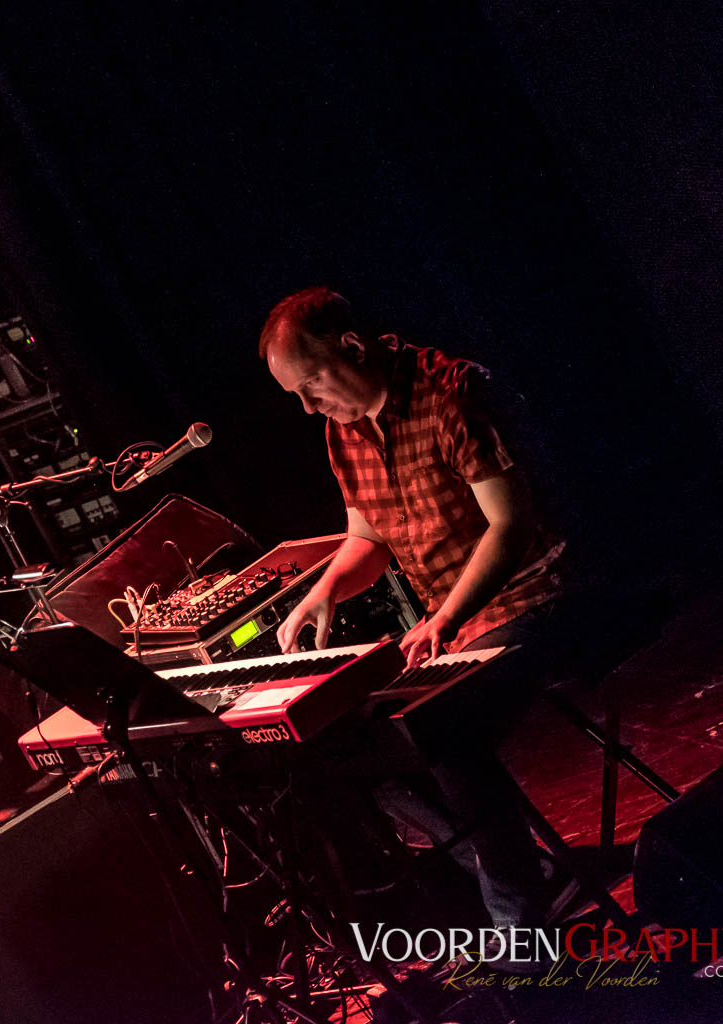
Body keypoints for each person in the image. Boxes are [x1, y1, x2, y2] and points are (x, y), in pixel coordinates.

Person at [259, 286, 570, 939]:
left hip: (537, 597)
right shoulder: (342, 432)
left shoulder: (452, 394)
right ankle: (527, 873)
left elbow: (510, 526)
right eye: (296, 395)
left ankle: (518, 935)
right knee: (352, 748)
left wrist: (445, 620)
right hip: (458, 627)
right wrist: (326, 588)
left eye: (310, 384)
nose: (308, 405)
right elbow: (367, 539)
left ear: (352, 347)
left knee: (440, 732)